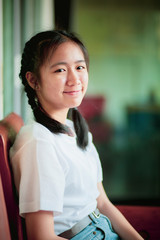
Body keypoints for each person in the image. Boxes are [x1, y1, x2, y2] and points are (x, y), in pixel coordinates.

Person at [10, 30, 143, 240]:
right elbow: (41, 237)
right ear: (33, 80)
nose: (74, 79)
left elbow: (102, 203)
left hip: (101, 227)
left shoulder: (75, 129)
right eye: (60, 70)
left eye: (80, 67)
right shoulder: (39, 143)